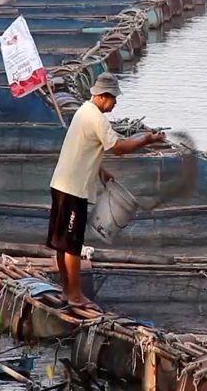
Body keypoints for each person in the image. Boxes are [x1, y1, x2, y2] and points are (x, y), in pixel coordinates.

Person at [47, 72, 165, 310]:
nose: (115, 103)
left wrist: (100, 170)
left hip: (61, 184)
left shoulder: (83, 111)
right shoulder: (97, 119)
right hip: (73, 189)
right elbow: (119, 147)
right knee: (72, 244)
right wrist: (146, 139)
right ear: (102, 96)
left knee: (61, 242)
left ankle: (66, 291)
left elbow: (83, 148)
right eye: (113, 98)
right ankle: (76, 295)